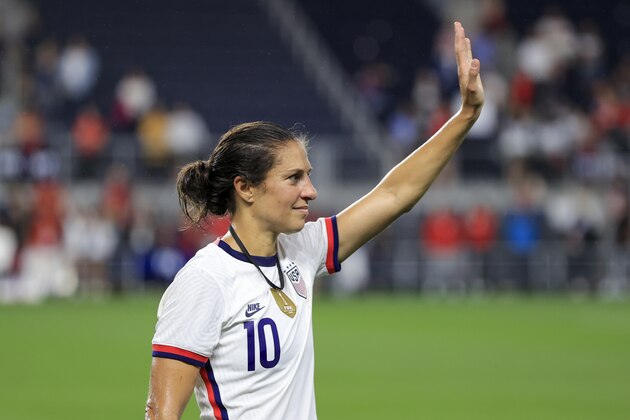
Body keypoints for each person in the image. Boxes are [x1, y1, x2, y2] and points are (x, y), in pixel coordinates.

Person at [145, 21, 484, 420]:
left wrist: (466, 115)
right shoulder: (205, 281)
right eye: (294, 178)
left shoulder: (301, 247)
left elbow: (394, 195)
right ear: (246, 188)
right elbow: (160, 413)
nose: (311, 191)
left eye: (307, 176)